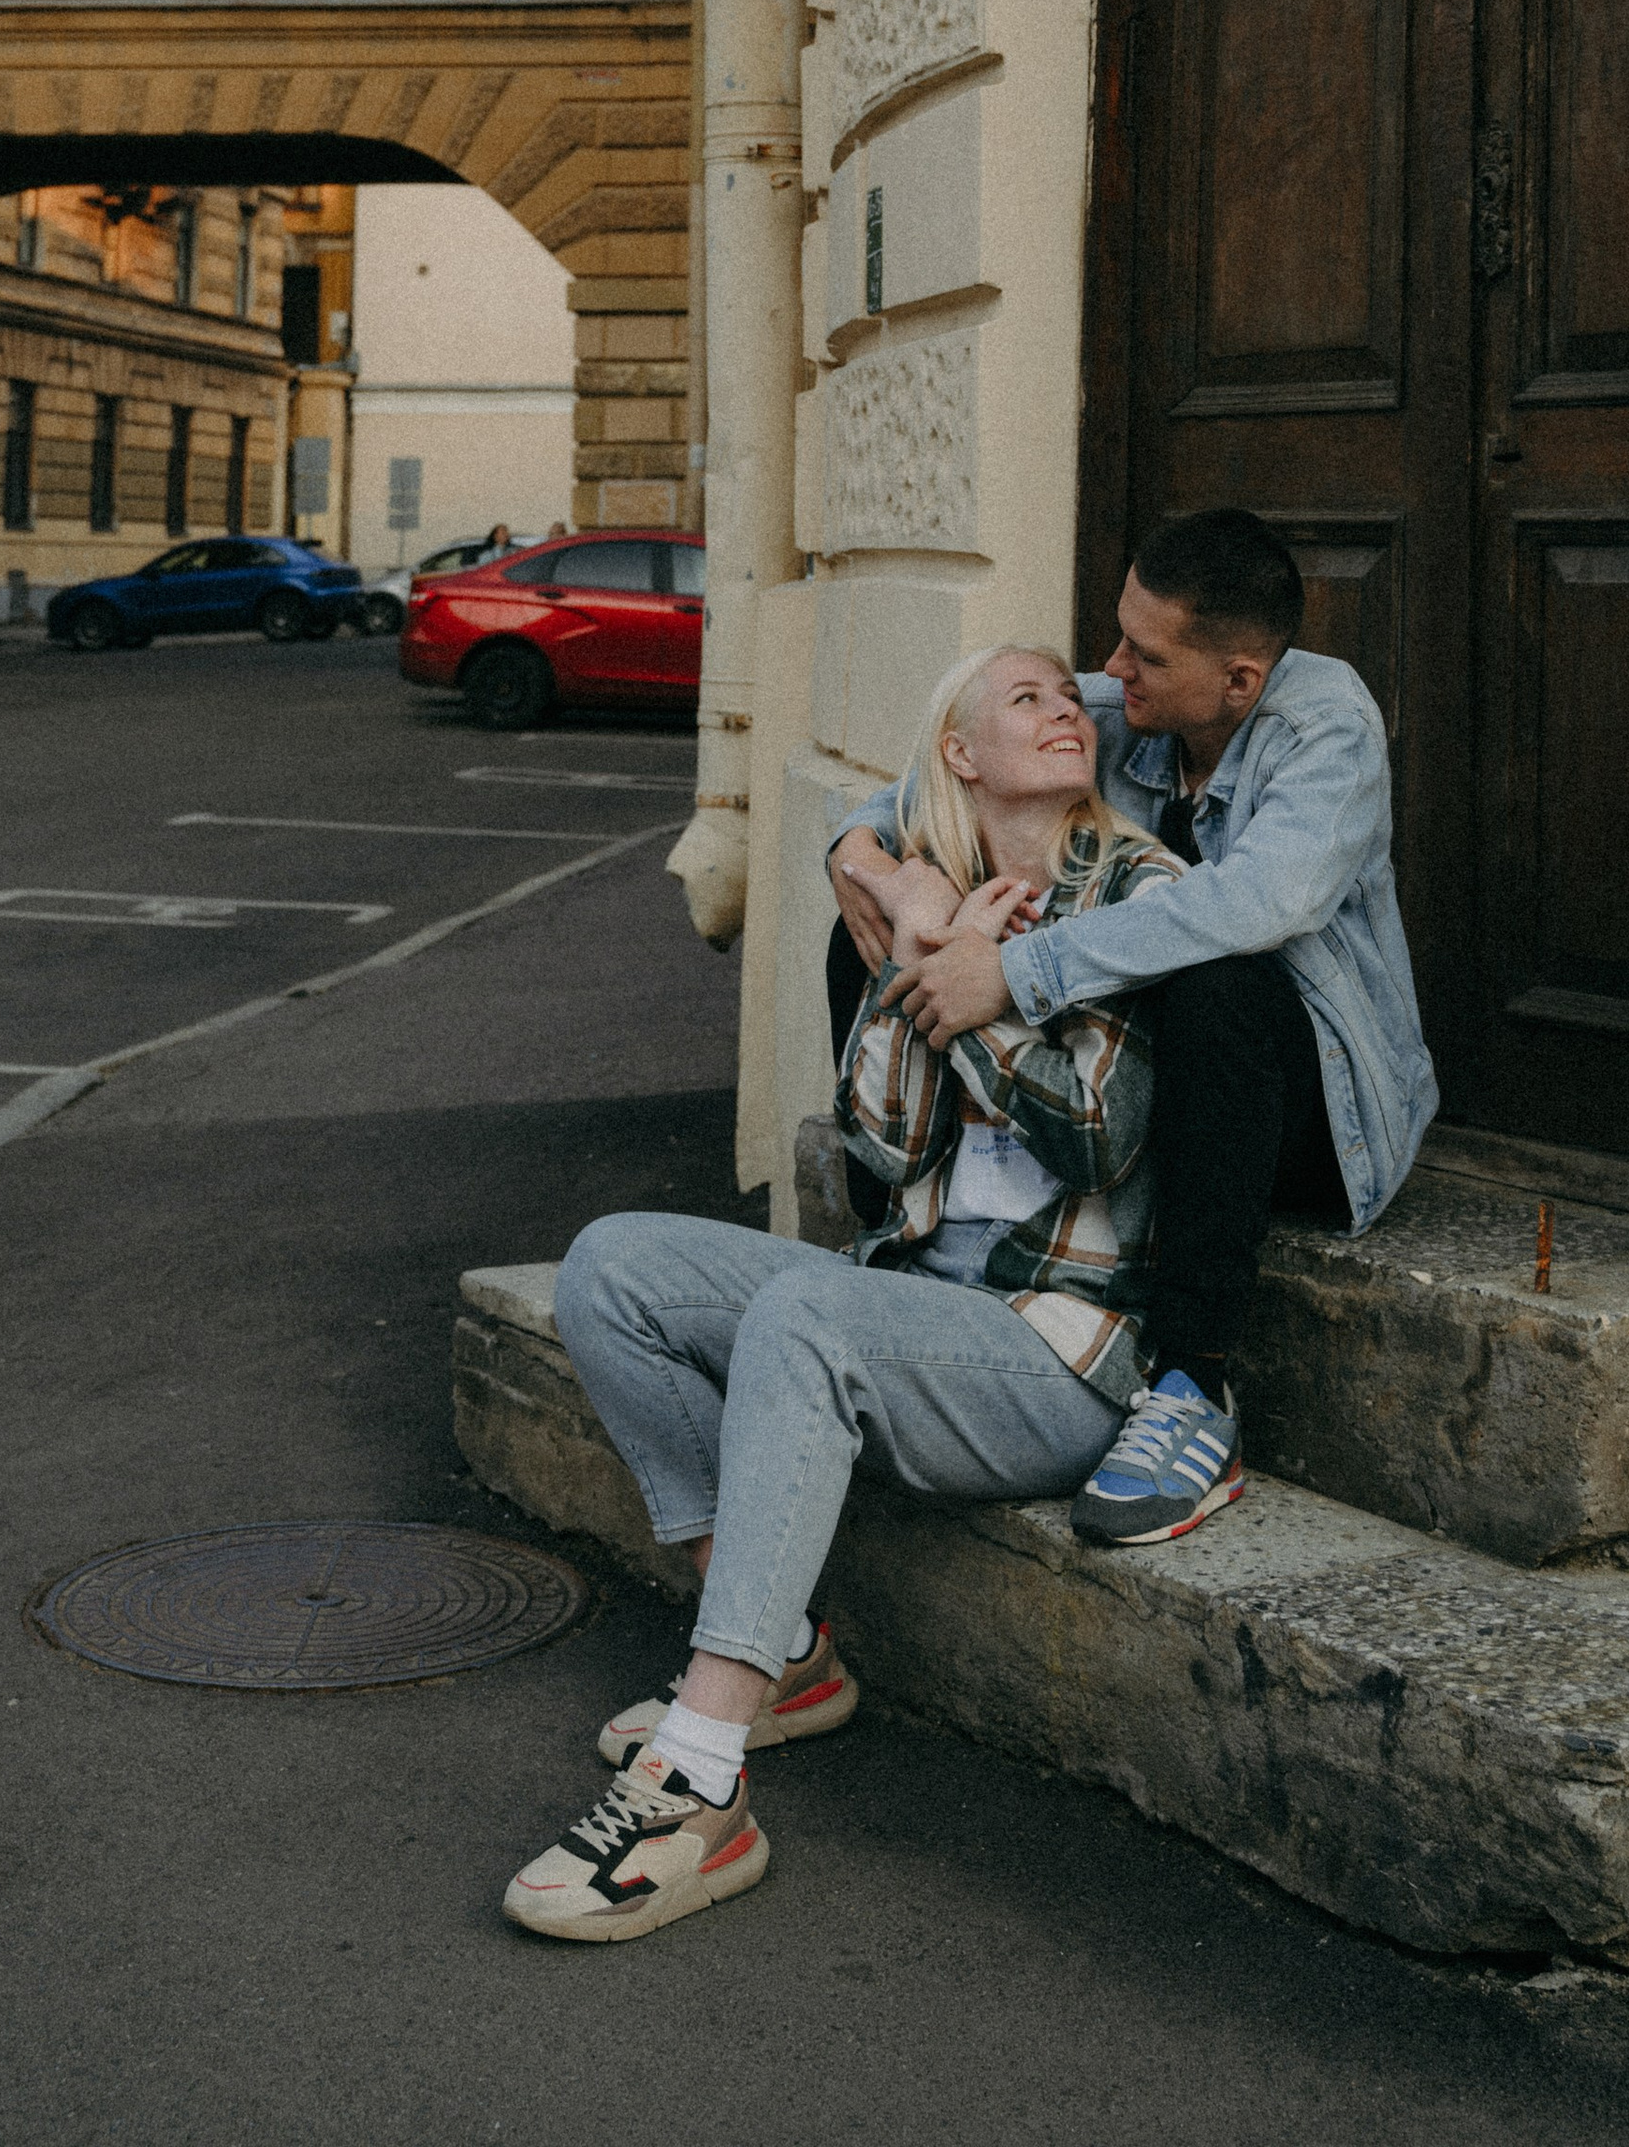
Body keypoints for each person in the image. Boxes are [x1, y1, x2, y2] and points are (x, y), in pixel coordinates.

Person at [502, 643, 1180, 1945]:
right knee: (612, 1268)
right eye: (1025, 695)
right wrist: (922, 947)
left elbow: (1103, 1137)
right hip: (911, 1300)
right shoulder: (918, 893)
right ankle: (788, 1658)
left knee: (804, 1319)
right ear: (960, 755)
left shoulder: (1137, 890)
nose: (1063, 708)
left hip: (1055, 1352)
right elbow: (881, 1146)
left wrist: (984, 997)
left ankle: (700, 1782)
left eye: (1067, 693)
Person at [827, 507, 1435, 1552]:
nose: (1107, 671)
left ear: (1238, 680)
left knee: (1215, 978)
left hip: (1306, 1112)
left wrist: (1012, 975)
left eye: (1142, 655)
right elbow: (927, 779)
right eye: (1118, 637)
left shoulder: (1325, 727)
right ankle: (888, 1234)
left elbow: (1254, 904)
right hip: (1143, 1090)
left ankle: (1194, 1385)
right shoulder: (1122, 704)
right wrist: (867, 861)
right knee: (876, 934)